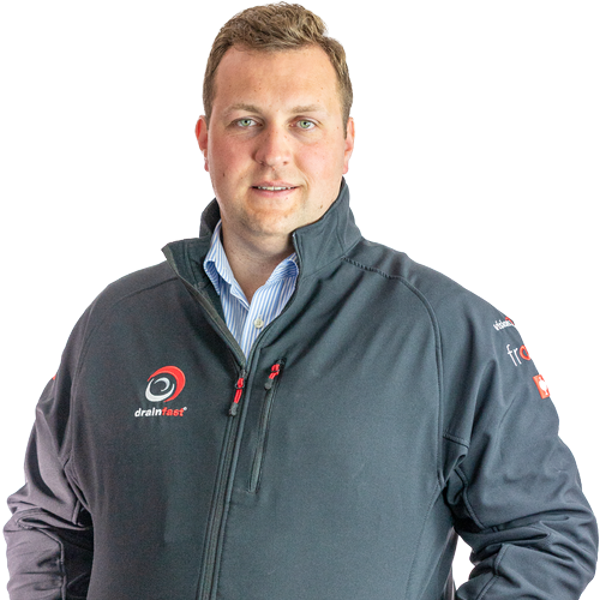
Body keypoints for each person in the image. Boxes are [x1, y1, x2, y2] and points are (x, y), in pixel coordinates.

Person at [3, 2, 598, 599]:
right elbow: (50, 526)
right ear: (203, 137)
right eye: (246, 121)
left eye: (304, 123)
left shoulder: (447, 330)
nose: (274, 151)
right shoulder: (115, 323)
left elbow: (546, 536)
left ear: (348, 139)